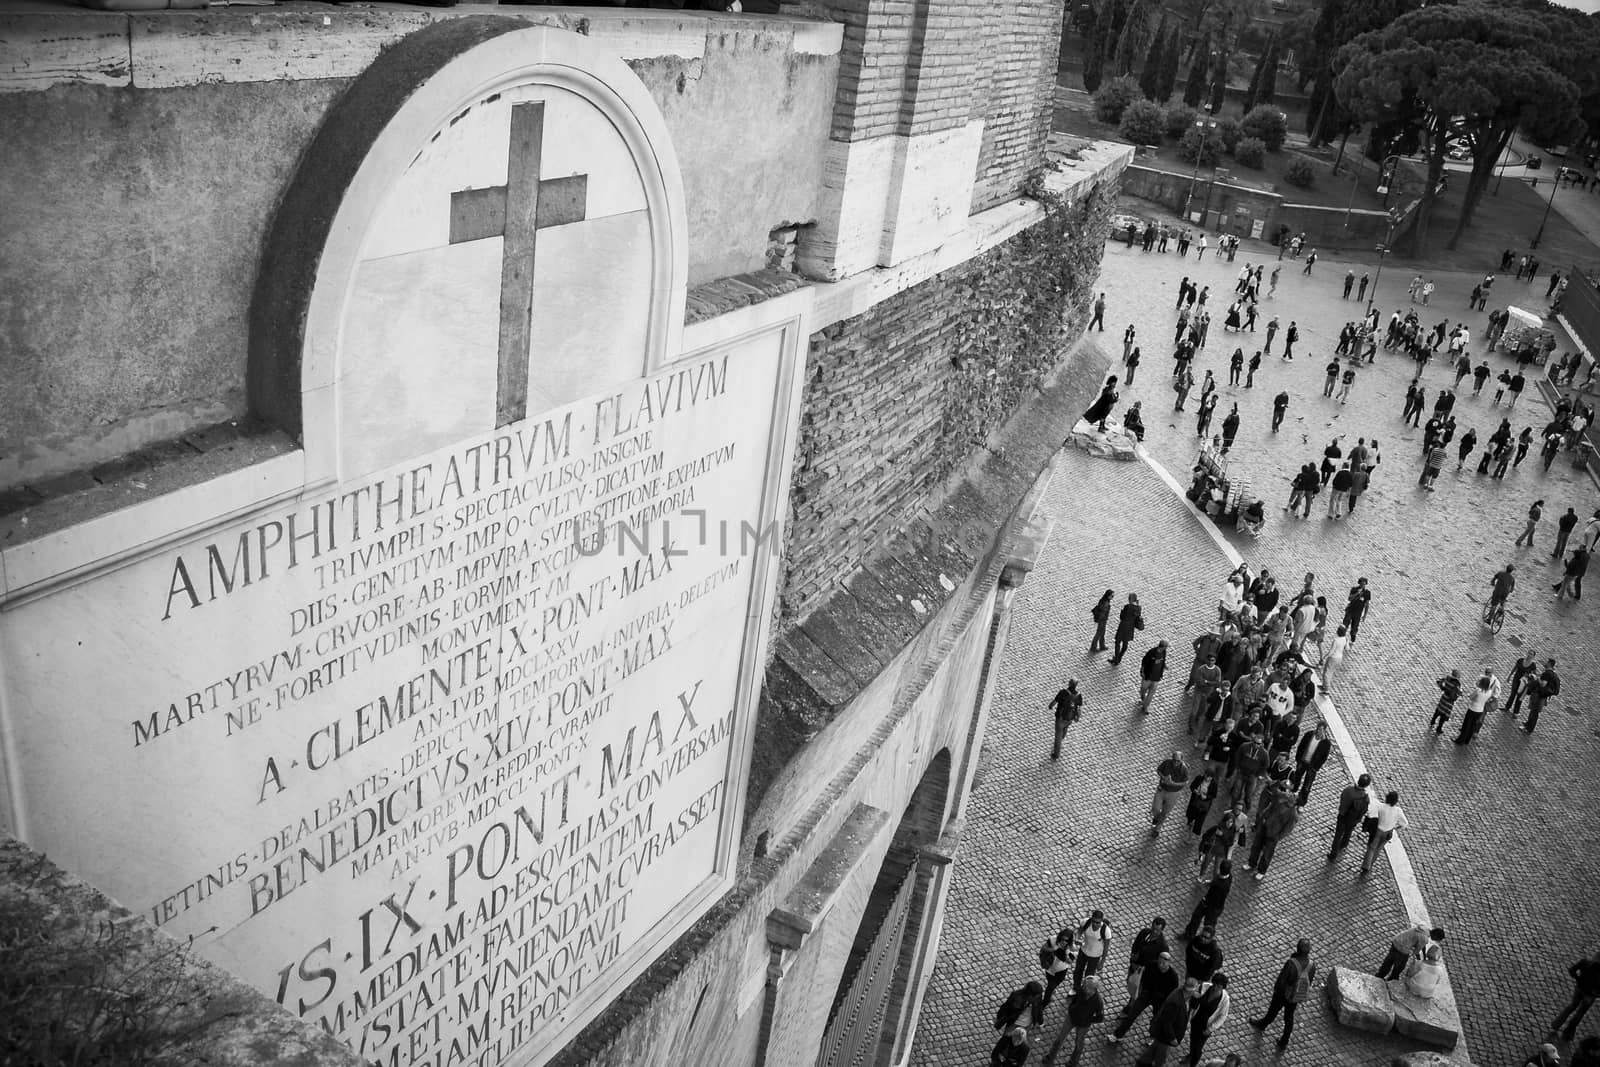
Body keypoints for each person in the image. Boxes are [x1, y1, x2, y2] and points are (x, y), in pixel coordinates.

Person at [1249, 939, 1315, 1048]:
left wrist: (1277, 991)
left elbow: (1282, 980)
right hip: (1296, 996)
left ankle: (1263, 1024)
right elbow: (1309, 981)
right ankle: (1284, 1040)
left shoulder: (1291, 963)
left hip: (1283, 994)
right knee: (1289, 1017)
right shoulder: (1312, 965)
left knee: (1273, 1011)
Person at [1108, 951, 1180, 1043]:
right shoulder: (1151, 965)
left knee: (1156, 1020)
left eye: (1163, 963)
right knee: (1132, 1014)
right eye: (1159, 962)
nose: (1161, 965)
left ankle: (1153, 1036)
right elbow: (1143, 978)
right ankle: (1118, 1035)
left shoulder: (1173, 977)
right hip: (1147, 994)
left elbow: (1171, 993)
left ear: (1169, 963)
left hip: (1160, 1000)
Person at [1136, 977, 1199, 1067]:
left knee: (1154, 1049)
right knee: (1161, 1058)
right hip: (1165, 1035)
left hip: (1163, 1034)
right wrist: (1172, 1038)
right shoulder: (1175, 1003)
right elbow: (1167, 1023)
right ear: (1190, 991)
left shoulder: (1181, 994)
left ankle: (1143, 1062)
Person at [1243, 780, 1297, 880]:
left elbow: (1287, 830)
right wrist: (1263, 818)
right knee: (1256, 846)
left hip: (1273, 835)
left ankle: (1261, 871)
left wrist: (1278, 837)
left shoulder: (1293, 815)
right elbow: (1272, 792)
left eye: (1292, 798)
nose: (1289, 797)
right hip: (1265, 826)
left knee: (1267, 854)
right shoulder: (1281, 800)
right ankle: (1251, 863)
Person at [1361, 789, 1409, 876]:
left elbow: (1371, 813)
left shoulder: (1381, 807)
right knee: (1378, 849)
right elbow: (1405, 824)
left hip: (1378, 831)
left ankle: (1366, 866)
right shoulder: (1398, 811)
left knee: (1371, 848)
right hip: (1388, 833)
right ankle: (1370, 864)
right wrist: (1395, 828)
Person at [1187, 973, 1230, 1067]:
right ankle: (1190, 1055)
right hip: (1196, 1020)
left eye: (1219, 986)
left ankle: (1193, 1063)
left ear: (1223, 987)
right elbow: (1193, 1000)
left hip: (1206, 1027)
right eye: (1215, 984)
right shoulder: (1204, 987)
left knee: (1198, 1048)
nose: (1215, 988)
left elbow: (1222, 1016)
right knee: (1192, 1039)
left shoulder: (1225, 999)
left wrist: (1210, 1029)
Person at [1553, 954, 1600, 1040]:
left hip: (1579, 989)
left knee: (1572, 1006)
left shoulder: (1585, 962)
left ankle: (1557, 1024)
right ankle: (1568, 1032)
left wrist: (1578, 979)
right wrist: (1597, 994)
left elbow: (1572, 970)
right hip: (1590, 996)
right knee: (1580, 1013)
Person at [1376, 923, 1446, 980]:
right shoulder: (1424, 939)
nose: (1435, 940)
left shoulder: (1423, 928)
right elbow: (1416, 951)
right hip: (1403, 948)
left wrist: (1424, 954)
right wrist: (1420, 960)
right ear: (1436, 936)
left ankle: (1380, 975)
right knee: (1400, 966)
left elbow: (1422, 944)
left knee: (1389, 960)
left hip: (1396, 941)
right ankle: (1392, 979)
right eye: (1437, 939)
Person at [1063, 973, 1106, 1065]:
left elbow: (1100, 1017)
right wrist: (1071, 1009)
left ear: (1093, 989)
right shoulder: (1081, 990)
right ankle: (1050, 1056)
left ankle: (1073, 1062)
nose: (1084, 988)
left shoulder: (1098, 1001)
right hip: (1071, 1018)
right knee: (1059, 1039)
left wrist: (1088, 1019)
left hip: (1083, 1025)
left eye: (1087, 987)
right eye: (1084, 985)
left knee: (1079, 1044)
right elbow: (1074, 1000)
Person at [1330, 772, 1372, 858]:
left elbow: (1342, 799)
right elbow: (1364, 810)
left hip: (1342, 815)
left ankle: (1333, 853)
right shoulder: (1365, 797)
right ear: (1366, 785)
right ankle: (1344, 844)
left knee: (1338, 834)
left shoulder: (1348, 790)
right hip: (1353, 819)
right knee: (1348, 831)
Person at [1185, 865, 1233, 939]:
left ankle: (1204, 940)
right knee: (1196, 917)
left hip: (1212, 906)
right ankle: (1189, 934)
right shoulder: (1229, 877)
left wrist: (1209, 885)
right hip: (1211, 904)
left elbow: (1214, 896)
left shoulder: (1221, 884)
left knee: (1208, 924)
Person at [1290, 722, 1332, 806]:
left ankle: (1301, 802)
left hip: (1312, 767)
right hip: (1303, 761)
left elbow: (1324, 757)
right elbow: (1301, 746)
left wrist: (1316, 767)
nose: (1319, 731)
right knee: (1296, 778)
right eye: (1318, 728)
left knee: (1307, 786)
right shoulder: (1309, 735)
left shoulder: (1326, 743)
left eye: (1321, 730)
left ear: (1324, 731)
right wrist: (1298, 758)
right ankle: (1292, 793)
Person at [1454, 669, 1499, 745]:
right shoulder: (1489, 692)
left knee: (1466, 725)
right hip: (1480, 710)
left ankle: (1460, 740)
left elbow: (1471, 697)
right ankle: (1467, 740)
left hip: (1473, 709)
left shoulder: (1478, 690)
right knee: (1472, 725)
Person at [1151, 753, 1190, 836]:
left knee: (1165, 812)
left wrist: (1174, 784)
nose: (1175, 762)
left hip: (1174, 793)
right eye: (1174, 760)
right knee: (1155, 808)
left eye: (1178, 761)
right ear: (1172, 758)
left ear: (1182, 760)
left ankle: (1158, 827)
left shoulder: (1184, 769)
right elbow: (1159, 770)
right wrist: (1163, 777)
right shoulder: (1167, 763)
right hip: (1162, 789)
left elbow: (1185, 782)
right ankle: (1156, 817)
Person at [1075, 910, 1113, 990]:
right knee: (1078, 971)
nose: (1095, 924)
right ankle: (1076, 987)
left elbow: (1106, 948)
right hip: (1083, 951)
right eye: (1094, 921)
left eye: (1098, 922)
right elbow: (1079, 931)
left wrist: (1102, 962)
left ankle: (1085, 990)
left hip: (1095, 956)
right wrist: (1077, 938)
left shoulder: (1106, 931)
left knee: (1089, 976)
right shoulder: (1086, 922)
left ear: (1101, 921)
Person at [1040, 928, 1079, 1006]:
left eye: (1066, 940)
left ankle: (1044, 1002)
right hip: (1049, 967)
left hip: (1060, 972)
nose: (1064, 942)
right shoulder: (1053, 939)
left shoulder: (1073, 949)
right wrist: (1053, 949)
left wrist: (1066, 953)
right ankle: (1050, 993)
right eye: (1062, 939)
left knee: (1050, 987)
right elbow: (1043, 948)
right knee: (1049, 983)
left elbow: (1070, 962)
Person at [1523, 658, 1561, 734]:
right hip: (1543, 695)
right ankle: (1528, 724)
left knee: (1534, 712)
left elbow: (1543, 684)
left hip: (1539, 695)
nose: (1545, 663)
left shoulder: (1547, 674)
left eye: (1547, 662)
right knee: (1533, 711)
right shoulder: (1551, 673)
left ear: (1549, 664)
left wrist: (1537, 678)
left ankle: (1529, 729)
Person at [1049, 680, 1083, 760]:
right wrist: (1077, 717)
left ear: (1069, 684)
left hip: (1060, 718)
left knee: (1058, 735)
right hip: (1069, 719)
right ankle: (1062, 738)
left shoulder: (1063, 692)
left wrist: (1050, 706)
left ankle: (1056, 754)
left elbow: (1055, 701)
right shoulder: (1078, 695)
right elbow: (1079, 708)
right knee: (1065, 728)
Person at [1112, 593, 1145, 664]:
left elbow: (1122, 617)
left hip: (1123, 626)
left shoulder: (1127, 606)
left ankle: (1116, 659)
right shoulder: (1139, 608)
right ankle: (1120, 657)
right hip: (1130, 628)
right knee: (1125, 643)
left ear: (1130, 599)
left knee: (1118, 642)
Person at [1139, 640, 1169, 714]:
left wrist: (1164, 666)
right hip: (1148, 676)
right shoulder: (1151, 652)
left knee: (1151, 693)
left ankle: (1145, 707)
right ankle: (1143, 698)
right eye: (1166, 647)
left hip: (1156, 677)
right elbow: (1144, 662)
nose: (1166, 648)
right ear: (1162, 647)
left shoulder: (1164, 652)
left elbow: (1163, 660)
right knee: (1143, 689)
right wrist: (1142, 672)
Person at [1428, 670, 1461, 734]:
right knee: (1443, 715)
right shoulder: (1457, 684)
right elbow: (1457, 692)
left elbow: (1439, 681)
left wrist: (1443, 688)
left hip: (1444, 697)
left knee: (1438, 710)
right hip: (1449, 701)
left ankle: (1433, 720)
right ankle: (1439, 728)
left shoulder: (1448, 678)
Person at [1320, 625, 1349, 692]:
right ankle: (1324, 685)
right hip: (1339, 657)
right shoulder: (1345, 639)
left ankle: (1326, 689)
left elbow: (1331, 651)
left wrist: (1324, 657)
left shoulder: (1336, 640)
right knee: (1330, 672)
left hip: (1333, 658)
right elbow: (1347, 648)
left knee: (1326, 673)